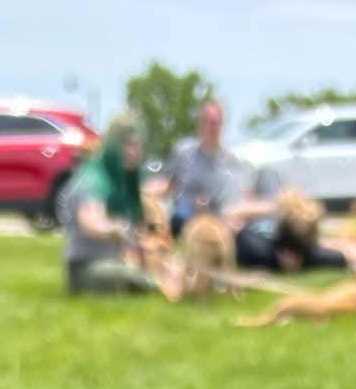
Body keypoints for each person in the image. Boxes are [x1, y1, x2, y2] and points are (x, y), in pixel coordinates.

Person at [63, 115, 182, 297]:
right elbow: (90, 222)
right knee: (128, 275)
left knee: (173, 265)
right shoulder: (92, 178)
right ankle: (159, 286)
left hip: (121, 259)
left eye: (139, 145)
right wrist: (118, 229)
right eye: (131, 145)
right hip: (89, 266)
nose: (136, 152)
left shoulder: (123, 180)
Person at [161, 100, 251, 234]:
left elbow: (237, 200)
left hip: (218, 218)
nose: (212, 127)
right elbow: (167, 184)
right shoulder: (183, 153)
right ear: (200, 124)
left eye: (216, 123)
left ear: (222, 125)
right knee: (177, 219)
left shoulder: (233, 162)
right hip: (186, 215)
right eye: (208, 122)